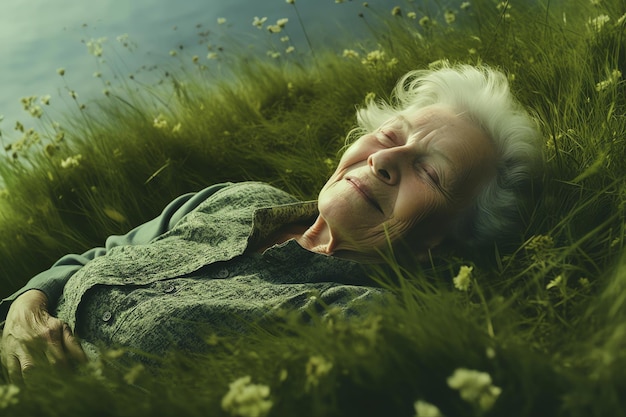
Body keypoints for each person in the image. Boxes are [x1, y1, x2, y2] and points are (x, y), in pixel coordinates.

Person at [0, 63, 541, 383]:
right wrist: (24, 308)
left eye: (429, 170)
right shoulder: (240, 198)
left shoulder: (358, 322)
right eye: (391, 135)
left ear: (440, 244)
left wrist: (77, 391)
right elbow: (94, 259)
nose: (384, 159)